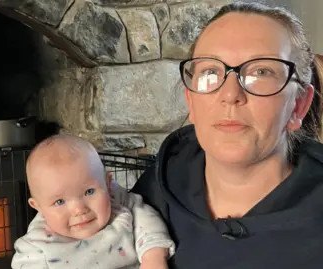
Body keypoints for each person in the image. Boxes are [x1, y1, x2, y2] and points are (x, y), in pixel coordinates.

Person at [131, 1, 323, 269]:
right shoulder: (155, 188)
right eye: (211, 71)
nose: (231, 95)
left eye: (261, 72)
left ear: (298, 105)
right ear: (191, 101)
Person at [11, 134, 174, 269]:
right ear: (37, 207)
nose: (79, 210)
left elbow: (145, 217)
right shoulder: (36, 248)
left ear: (108, 184)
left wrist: (153, 257)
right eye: (60, 201)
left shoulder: (117, 200)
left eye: (89, 192)